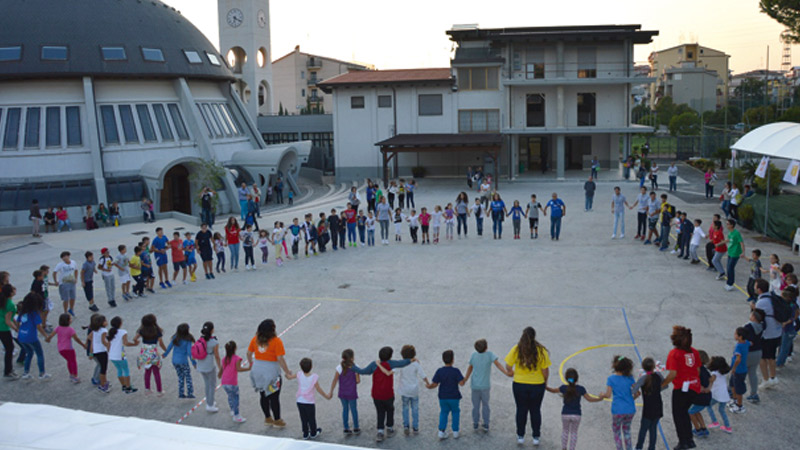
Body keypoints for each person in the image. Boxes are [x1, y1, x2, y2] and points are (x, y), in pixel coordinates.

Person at [349, 346, 412, 442]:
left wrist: (352, 366)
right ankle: (390, 428)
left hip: (376, 394)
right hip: (388, 394)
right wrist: (412, 359)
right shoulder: (391, 364)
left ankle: (380, 431)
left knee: (380, 411)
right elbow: (403, 363)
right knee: (390, 410)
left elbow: (363, 371)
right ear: (390, 357)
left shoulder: (374, 364)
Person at [505, 327, 550, 446]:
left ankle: (520, 435)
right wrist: (545, 382)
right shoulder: (541, 351)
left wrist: (512, 373)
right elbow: (545, 370)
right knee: (535, 410)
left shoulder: (517, 349)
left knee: (521, 409)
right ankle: (536, 436)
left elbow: (508, 366)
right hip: (537, 385)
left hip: (519, 384)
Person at [247, 319, 295, 429]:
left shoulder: (255, 340)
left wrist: (251, 364)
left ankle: (267, 418)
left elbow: (249, 353)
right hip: (271, 372)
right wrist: (287, 371)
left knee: (263, 394)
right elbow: (280, 359)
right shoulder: (276, 341)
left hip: (258, 371)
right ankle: (277, 420)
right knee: (274, 397)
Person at [662, 326, 701, 450]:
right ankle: (689, 439)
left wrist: (662, 384)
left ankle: (683, 442)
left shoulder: (674, 353)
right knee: (685, 413)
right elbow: (698, 370)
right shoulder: (694, 352)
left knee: (678, 415)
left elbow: (672, 374)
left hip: (681, 389)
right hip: (694, 387)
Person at [461, 339, 511, 433]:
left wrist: (465, 379)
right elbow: (498, 365)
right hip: (485, 386)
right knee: (485, 405)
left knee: (475, 406)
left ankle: (475, 423)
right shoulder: (490, 355)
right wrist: (506, 373)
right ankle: (486, 424)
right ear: (486, 347)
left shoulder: (473, 355)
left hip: (475, 385)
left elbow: (470, 368)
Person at [545, 368, 601, 450]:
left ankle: (564, 448)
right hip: (577, 415)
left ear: (566, 378)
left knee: (565, 431)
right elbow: (589, 399)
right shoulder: (581, 389)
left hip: (565, 414)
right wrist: (600, 398)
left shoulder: (563, 388)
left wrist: (545, 387)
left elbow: (553, 390)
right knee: (574, 433)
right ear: (577, 378)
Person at [597, 356, 636, 450]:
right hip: (630, 409)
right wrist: (631, 399)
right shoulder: (630, 378)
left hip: (617, 410)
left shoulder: (611, 379)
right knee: (627, 430)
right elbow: (637, 392)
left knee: (617, 432)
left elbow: (608, 395)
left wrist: (602, 395)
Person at [426, 350, 464, 440]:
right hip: (454, 397)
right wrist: (464, 378)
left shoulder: (440, 371)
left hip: (443, 396)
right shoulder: (456, 371)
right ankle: (455, 431)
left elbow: (434, 384)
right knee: (455, 412)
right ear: (453, 360)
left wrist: (429, 386)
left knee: (443, 412)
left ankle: (441, 431)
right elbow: (461, 383)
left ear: (443, 359)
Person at [752, 279, 782, 388]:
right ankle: (773, 377)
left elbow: (756, 319)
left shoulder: (761, 302)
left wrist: (753, 308)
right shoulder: (772, 297)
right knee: (772, 357)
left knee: (762, 357)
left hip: (767, 333)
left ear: (759, 290)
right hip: (776, 331)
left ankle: (765, 379)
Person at [631, 358, 666, 450]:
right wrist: (657, 390)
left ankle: (639, 447)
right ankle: (651, 448)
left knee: (643, 429)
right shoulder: (658, 375)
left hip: (648, 408)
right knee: (653, 429)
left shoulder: (643, 378)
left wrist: (634, 386)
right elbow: (665, 385)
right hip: (658, 405)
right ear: (654, 366)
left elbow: (634, 390)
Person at [294, 357, 332, 439]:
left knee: (303, 418)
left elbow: (291, 376)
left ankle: (305, 433)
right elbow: (318, 389)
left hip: (300, 400)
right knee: (311, 418)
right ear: (311, 367)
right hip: (309, 402)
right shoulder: (314, 377)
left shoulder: (299, 374)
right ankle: (313, 432)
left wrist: (288, 374)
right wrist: (326, 396)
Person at [44, 313, 85, 383]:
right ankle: (75, 376)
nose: (71, 320)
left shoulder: (58, 328)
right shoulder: (70, 330)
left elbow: (51, 335)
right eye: (70, 319)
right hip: (69, 348)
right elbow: (76, 339)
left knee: (69, 361)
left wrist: (48, 339)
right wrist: (83, 345)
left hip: (60, 349)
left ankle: (71, 374)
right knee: (73, 361)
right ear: (68, 321)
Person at [329, 349, 362, 436]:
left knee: (345, 410)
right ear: (352, 358)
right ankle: (356, 427)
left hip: (342, 393)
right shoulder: (355, 367)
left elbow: (335, 380)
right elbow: (358, 381)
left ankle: (346, 428)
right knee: (354, 410)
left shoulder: (339, 367)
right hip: (352, 393)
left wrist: (331, 391)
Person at [134, 313, 167, 396]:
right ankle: (159, 391)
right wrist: (166, 350)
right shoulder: (157, 330)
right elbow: (161, 343)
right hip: (154, 353)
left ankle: (147, 389)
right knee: (156, 372)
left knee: (147, 372)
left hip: (145, 353)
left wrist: (136, 342)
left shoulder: (142, 330)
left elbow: (135, 338)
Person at [219, 340, 251, 423]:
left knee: (230, 396)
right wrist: (248, 368)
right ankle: (237, 415)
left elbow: (222, 368)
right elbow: (238, 369)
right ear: (235, 348)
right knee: (235, 398)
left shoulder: (224, 359)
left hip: (224, 382)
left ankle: (232, 410)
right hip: (232, 382)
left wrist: (219, 374)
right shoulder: (237, 359)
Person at [163, 323, 196, 398]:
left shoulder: (175, 338)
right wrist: (194, 362)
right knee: (188, 377)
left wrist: (165, 354)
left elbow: (169, 347)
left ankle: (181, 393)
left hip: (175, 361)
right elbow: (189, 352)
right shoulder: (188, 340)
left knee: (180, 377)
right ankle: (190, 393)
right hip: (183, 361)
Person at [107, 316, 138, 393]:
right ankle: (128, 387)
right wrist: (134, 344)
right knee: (126, 370)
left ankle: (123, 385)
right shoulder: (123, 332)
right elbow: (125, 343)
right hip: (120, 354)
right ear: (120, 324)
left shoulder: (110, 332)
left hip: (112, 355)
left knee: (119, 370)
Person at [197, 321, 222, 413]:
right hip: (209, 366)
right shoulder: (214, 342)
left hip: (200, 365)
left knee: (207, 384)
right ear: (212, 330)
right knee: (212, 385)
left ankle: (209, 401)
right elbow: (217, 356)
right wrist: (220, 368)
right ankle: (210, 405)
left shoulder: (200, 339)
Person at [741, 308, 765, 404]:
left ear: (754, 317)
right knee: (753, 374)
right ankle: (754, 394)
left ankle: (733, 391)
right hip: (758, 352)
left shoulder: (748, 327)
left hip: (748, 353)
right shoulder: (761, 326)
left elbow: (743, 339)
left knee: (739, 373)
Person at [704, 356, 731, 432]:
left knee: (708, 406)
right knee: (722, 410)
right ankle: (728, 426)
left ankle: (715, 422)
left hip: (716, 395)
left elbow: (710, 381)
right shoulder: (723, 372)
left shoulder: (714, 373)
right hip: (724, 395)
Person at [87, 314, 110, 393]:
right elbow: (104, 341)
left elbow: (89, 337)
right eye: (105, 321)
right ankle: (103, 385)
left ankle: (105, 382)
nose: (107, 322)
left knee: (102, 368)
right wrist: (109, 346)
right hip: (102, 352)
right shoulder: (104, 331)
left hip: (96, 351)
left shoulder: (94, 330)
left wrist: (90, 353)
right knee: (103, 369)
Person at [0, 285, 20, 379]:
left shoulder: (3, 300)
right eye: (13, 289)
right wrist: (16, 328)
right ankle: (8, 371)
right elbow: (8, 321)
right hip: (3, 328)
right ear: (11, 293)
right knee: (9, 349)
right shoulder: (10, 304)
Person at [729, 328, 750, 414]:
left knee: (738, 389)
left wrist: (733, 368)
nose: (734, 335)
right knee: (732, 384)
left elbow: (738, 359)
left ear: (740, 337)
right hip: (742, 370)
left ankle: (739, 405)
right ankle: (734, 400)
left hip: (738, 371)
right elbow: (751, 343)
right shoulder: (746, 342)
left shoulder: (738, 346)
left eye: (736, 334)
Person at [721, 219, 744, 292]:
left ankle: (731, 284)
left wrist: (743, 252)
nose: (727, 225)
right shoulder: (730, 233)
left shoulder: (736, 233)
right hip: (730, 252)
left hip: (735, 253)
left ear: (732, 225)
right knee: (728, 268)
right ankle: (728, 283)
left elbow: (741, 242)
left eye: (728, 224)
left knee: (731, 268)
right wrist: (720, 243)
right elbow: (728, 240)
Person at [53, 251, 78, 316]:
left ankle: (71, 309)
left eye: (66, 256)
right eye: (63, 257)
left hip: (71, 282)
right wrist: (56, 281)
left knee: (73, 297)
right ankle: (65, 311)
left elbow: (76, 270)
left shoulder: (73, 263)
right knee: (66, 298)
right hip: (64, 283)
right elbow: (54, 272)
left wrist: (76, 278)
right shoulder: (60, 265)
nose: (65, 258)